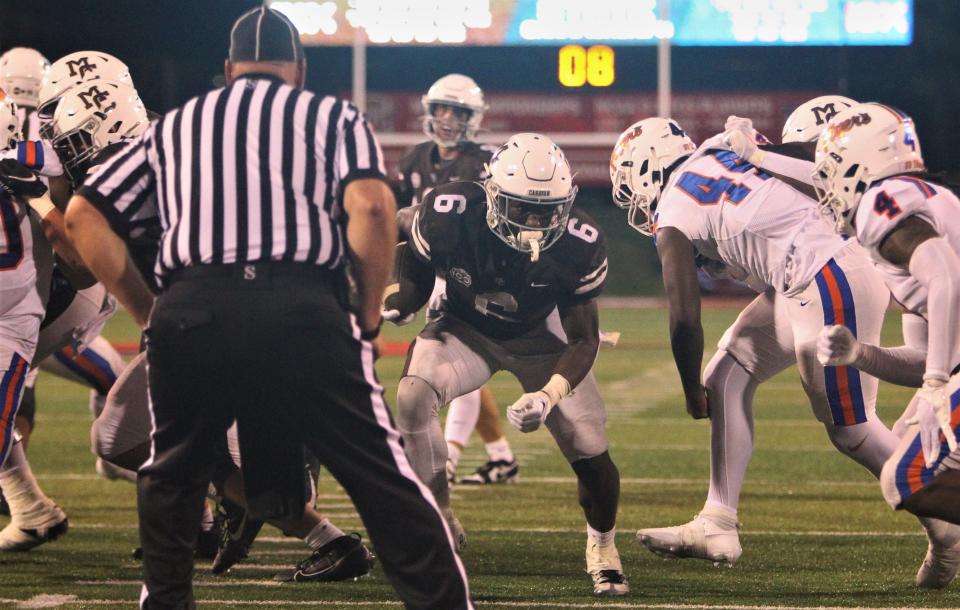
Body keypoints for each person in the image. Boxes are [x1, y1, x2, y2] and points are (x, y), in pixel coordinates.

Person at [64, 7, 472, 609]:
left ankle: (166, 599)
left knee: (172, 473)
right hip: (303, 305)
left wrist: (149, 311)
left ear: (229, 70)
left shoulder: (176, 124)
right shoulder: (332, 116)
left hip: (194, 307)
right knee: (379, 472)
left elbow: (82, 216)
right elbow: (375, 210)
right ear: (299, 71)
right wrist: (361, 315)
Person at [611, 115, 960, 588]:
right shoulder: (720, 149)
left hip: (825, 275)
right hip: (812, 272)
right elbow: (815, 153)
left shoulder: (673, 206)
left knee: (851, 429)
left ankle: (946, 529)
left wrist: (689, 391)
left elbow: (685, 317)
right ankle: (718, 523)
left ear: (645, 171)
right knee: (729, 372)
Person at [385, 132, 628, 596]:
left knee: (591, 448)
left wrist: (548, 392)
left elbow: (582, 338)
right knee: (413, 396)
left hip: (542, 339)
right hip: (465, 328)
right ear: (493, 194)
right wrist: (404, 299)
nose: (537, 222)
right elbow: (415, 266)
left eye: (549, 210)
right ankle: (439, 520)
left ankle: (603, 546)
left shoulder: (580, 242)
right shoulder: (447, 211)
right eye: (524, 208)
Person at [812, 103, 960, 538]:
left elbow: (948, 278)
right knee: (907, 436)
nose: (828, 186)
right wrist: (860, 354)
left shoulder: (881, 201)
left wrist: (936, 385)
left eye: (832, 169)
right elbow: (922, 356)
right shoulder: (925, 202)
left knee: (908, 478)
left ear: (860, 164)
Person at [394, 73, 519, 485]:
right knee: (456, 366)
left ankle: (448, 459)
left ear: (474, 116)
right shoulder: (414, 158)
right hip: (426, 269)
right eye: (442, 108)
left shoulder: (485, 162)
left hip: (470, 275)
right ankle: (500, 456)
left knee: (457, 363)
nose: (448, 118)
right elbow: (402, 226)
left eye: (458, 111)